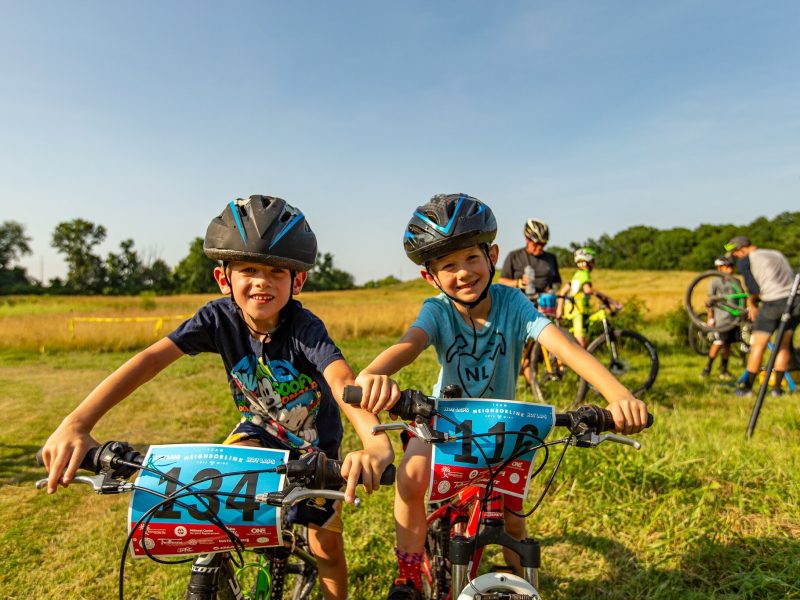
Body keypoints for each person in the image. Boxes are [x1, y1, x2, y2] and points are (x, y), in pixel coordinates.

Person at [40, 195, 394, 600]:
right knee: (215, 517)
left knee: (325, 548)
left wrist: (374, 443)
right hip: (256, 437)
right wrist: (76, 423)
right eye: (249, 269)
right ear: (224, 278)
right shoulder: (216, 318)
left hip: (315, 451)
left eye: (277, 271)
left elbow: (340, 380)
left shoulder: (304, 328)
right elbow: (149, 360)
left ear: (298, 281)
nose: (262, 281)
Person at [353, 194, 649, 600]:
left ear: (491, 256)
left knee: (513, 517)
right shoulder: (437, 311)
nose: (463, 273)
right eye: (448, 266)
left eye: (471, 259)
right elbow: (410, 342)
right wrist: (374, 373)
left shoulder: (514, 304)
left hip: (504, 427)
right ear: (431, 277)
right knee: (411, 477)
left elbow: (563, 345)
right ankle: (406, 570)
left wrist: (618, 394)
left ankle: (523, 582)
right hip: (445, 421)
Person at [725, 235, 800, 398]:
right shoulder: (776, 254)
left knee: (758, 344)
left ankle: (747, 388)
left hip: (772, 303)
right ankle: (777, 390)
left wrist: (752, 303)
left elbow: (753, 289)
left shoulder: (747, 260)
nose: (736, 258)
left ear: (741, 249)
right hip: (794, 302)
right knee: (784, 346)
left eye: (736, 254)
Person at [555, 247, 621, 348]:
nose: (594, 264)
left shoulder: (577, 274)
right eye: (593, 261)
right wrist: (609, 299)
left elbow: (563, 291)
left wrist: (560, 309)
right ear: (588, 262)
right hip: (578, 311)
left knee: (583, 342)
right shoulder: (584, 273)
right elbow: (588, 290)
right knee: (580, 344)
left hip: (575, 310)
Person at [701, 256, 741, 380]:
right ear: (720, 268)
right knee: (718, 342)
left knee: (728, 344)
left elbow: (741, 299)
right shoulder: (715, 282)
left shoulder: (736, 281)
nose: (730, 269)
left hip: (733, 318)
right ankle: (707, 368)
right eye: (727, 267)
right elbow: (710, 301)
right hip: (721, 318)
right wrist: (710, 317)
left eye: (732, 267)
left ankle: (723, 369)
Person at [498, 218, 561, 295]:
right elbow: (502, 281)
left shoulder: (551, 258)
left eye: (543, 244)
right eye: (536, 244)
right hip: (520, 302)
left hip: (545, 303)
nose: (539, 247)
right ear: (527, 239)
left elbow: (557, 282)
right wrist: (518, 283)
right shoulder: (514, 256)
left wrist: (553, 289)